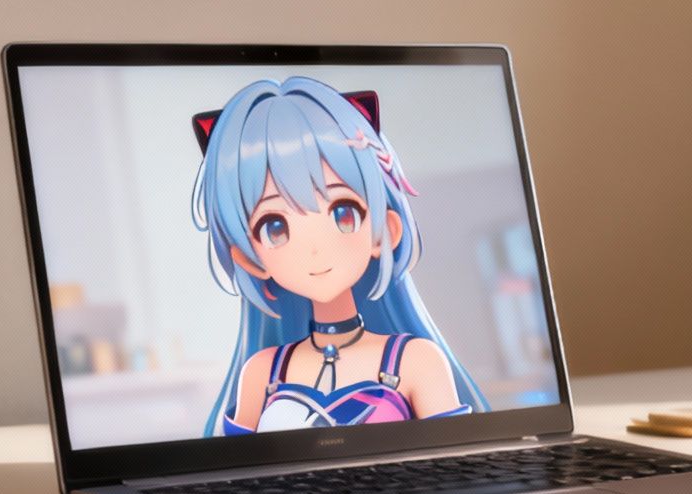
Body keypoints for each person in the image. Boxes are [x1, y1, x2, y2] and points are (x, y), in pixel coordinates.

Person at [193, 76, 488, 436]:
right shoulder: (261, 373)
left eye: (343, 214)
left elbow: (454, 465)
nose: (314, 247)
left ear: (385, 232)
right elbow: (235, 481)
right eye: (275, 227)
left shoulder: (416, 360)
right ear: (249, 258)